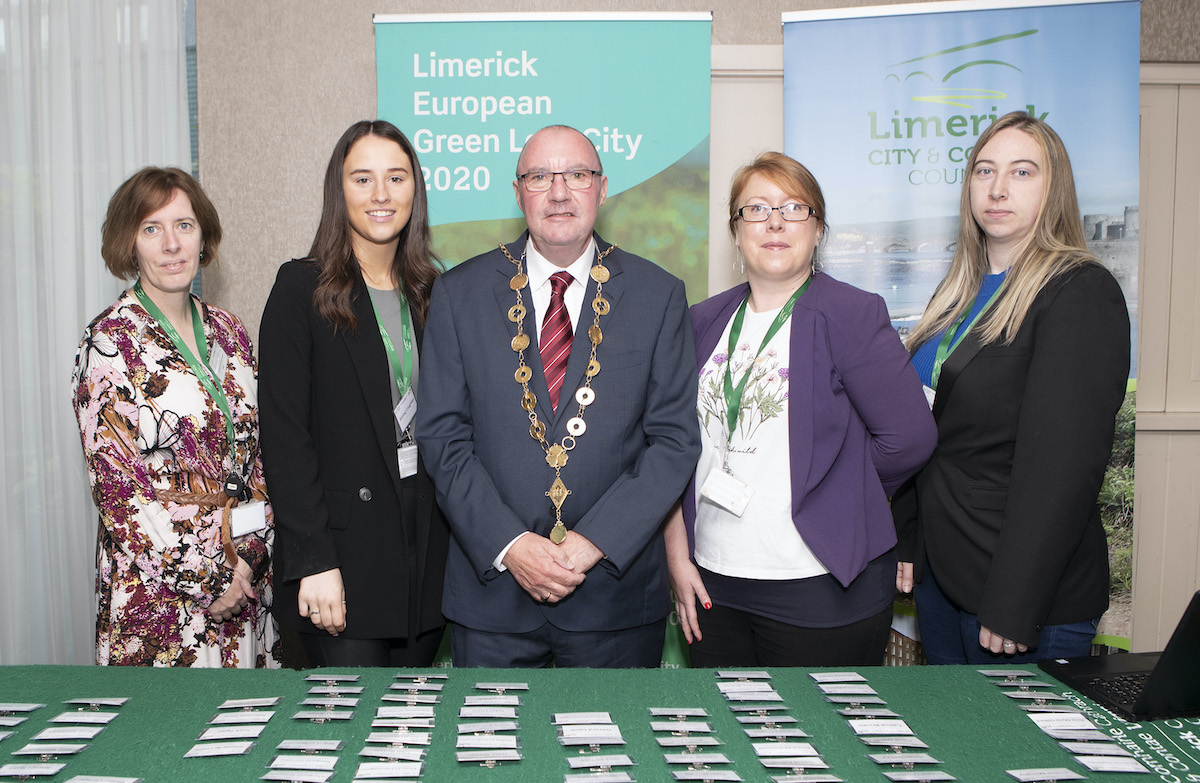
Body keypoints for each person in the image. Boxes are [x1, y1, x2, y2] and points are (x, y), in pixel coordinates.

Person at [417, 124, 701, 668]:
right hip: (494, 600)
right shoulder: (459, 294)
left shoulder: (658, 294)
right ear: (518, 190)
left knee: (615, 752)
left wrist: (590, 543)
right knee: (490, 754)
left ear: (602, 187)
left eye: (577, 174)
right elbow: (443, 438)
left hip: (614, 601)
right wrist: (512, 546)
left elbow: (673, 442)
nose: (559, 191)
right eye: (540, 176)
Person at [664, 152, 936, 667]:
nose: (774, 222)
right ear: (735, 230)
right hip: (713, 578)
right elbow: (672, 448)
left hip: (820, 583)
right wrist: (678, 558)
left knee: (820, 741)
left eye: (794, 208)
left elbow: (909, 438)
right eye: (756, 209)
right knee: (726, 733)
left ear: (818, 229)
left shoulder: (852, 314)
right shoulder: (702, 321)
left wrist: (836, 490)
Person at [893, 111, 1130, 664]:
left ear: (1055, 189)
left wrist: (1014, 601)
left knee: (1016, 752)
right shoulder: (956, 293)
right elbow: (926, 430)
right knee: (950, 746)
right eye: (984, 171)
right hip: (943, 575)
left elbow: (1063, 468)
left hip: (1019, 596)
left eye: (1022, 173)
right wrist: (910, 537)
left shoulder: (1079, 292)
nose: (998, 188)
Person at [258, 120, 449, 667]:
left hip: (424, 554)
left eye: (396, 177)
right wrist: (313, 560)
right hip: (339, 560)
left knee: (411, 734)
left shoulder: (435, 291)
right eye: (362, 179)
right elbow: (285, 435)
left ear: (416, 189)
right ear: (338, 191)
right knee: (350, 738)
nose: (382, 194)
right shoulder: (303, 288)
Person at [72, 167, 278, 667]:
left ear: (203, 236)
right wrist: (208, 580)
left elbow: (261, 454)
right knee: (164, 740)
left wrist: (250, 559)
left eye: (184, 226)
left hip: (245, 583)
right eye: (152, 228)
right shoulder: (109, 343)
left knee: (247, 732)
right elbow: (119, 492)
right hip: (161, 596)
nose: (171, 244)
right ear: (130, 243)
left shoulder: (229, 330)